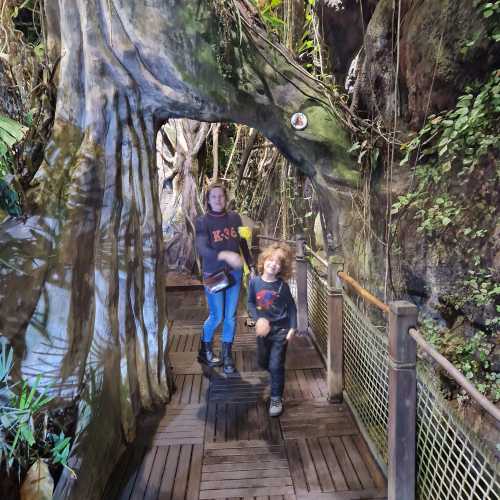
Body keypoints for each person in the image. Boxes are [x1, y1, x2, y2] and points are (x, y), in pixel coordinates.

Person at [195, 181, 254, 374]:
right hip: (214, 275)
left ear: (226, 198)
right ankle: (205, 349)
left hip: (234, 274)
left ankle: (227, 355)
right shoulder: (203, 222)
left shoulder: (235, 218)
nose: (218, 199)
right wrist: (225, 255)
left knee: (230, 316)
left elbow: (242, 241)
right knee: (217, 316)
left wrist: (250, 264)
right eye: (214, 197)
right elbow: (202, 249)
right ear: (208, 200)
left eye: (221, 196)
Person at [247, 243, 297, 417]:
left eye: (278, 263)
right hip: (263, 331)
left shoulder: (282, 287)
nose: (273, 264)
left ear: (281, 269)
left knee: (276, 365)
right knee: (263, 362)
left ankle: (276, 397)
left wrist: (293, 327)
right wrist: (257, 318)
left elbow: (291, 307)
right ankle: (275, 374)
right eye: (271, 260)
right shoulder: (254, 283)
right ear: (264, 261)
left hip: (280, 331)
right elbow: (250, 303)